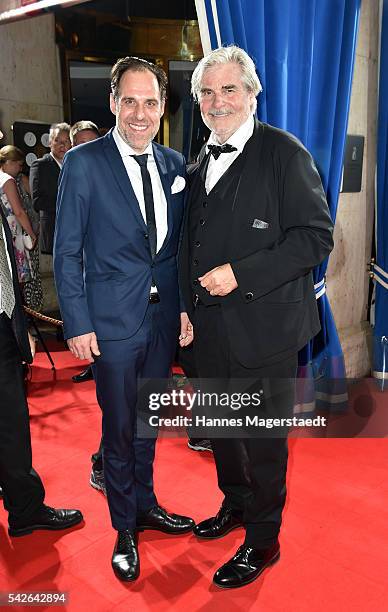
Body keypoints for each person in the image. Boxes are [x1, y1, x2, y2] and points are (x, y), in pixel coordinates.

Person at [178, 45, 334, 589]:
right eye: (207, 93)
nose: (218, 102)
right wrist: (184, 306)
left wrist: (241, 273)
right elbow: (187, 246)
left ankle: (263, 539)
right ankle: (237, 505)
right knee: (221, 429)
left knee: (263, 439)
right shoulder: (199, 158)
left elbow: (316, 238)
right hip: (208, 327)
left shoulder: (285, 153)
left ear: (252, 93)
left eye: (229, 90)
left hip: (266, 329)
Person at [54, 56, 194, 582]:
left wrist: (181, 308)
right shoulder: (85, 163)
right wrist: (77, 322)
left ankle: (147, 504)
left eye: (151, 102)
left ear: (163, 108)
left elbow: (174, 249)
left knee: (148, 421)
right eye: (129, 101)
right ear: (113, 103)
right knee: (117, 428)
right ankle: (124, 527)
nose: (140, 113)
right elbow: (67, 252)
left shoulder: (174, 164)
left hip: (162, 322)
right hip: (110, 323)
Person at [0, 204, 83, 537]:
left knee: (10, 422)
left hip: (4, 320)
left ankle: (23, 505)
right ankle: (25, 507)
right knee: (9, 422)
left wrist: (18, 325)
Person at [69, 121, 101, 385]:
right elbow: (67, 252)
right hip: (91, 282)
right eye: (81, 143)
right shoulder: (75, 168)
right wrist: (78, 322)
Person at [0, 145, 43, 311]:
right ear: (8, 162)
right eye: (18, 164)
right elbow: (18, 211)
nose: (20, 168)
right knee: (17, 284)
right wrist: (31, 233)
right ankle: (20, 326)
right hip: (13, 233)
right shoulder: (8, 180)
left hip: (4, 234)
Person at [30, 123, 71, 255]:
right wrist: (68, 206)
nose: (62, 145)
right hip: (54, 231)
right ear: (49, 142)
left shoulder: (75, 165)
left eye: (66, 141)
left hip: (77, 231)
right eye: (57, 140)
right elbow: (37, 201)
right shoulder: (40, 165)